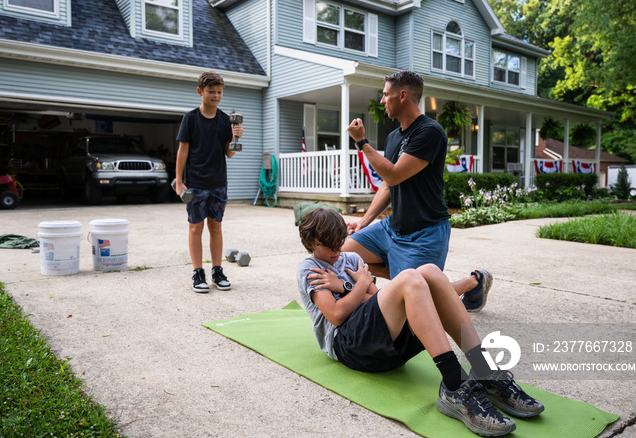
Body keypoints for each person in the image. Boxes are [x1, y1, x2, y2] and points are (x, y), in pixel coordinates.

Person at [297, 208, 543, 436]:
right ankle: (454, 384)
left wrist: (347, 286)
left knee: (430, 272)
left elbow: (375, 297)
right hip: (349, 348)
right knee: (409, 278)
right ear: (310, 243)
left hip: (382, 343)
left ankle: (485, 369)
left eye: (338, 243)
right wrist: (360, 284)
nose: (336, 251)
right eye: (328, 246)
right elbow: (337, 315)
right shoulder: (311, 269)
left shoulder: (350, 258)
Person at [343, 70, 489, 312]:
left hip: (425, 233)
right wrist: (364, 222)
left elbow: (394, 173)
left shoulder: (429, 132)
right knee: (343, 258)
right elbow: (389, 185)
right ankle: (404, 276)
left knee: (415, 300)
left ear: (402, 96)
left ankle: (475, 281)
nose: (382, 101)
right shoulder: (392, 137)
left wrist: (362, 143)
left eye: (385, 95)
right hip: (392, 228)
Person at [175, 71, 243, 293]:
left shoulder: (225, 120)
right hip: (194, 182)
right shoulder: (191, 118)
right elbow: (182, 151)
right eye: (211, 91)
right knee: (196, 227)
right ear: (200, 92)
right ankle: (198, 273)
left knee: (216, 227)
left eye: (219, 92)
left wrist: (236, 137)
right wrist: (178, 181)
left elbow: (229, 154)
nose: (216, 95)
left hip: (218, 183)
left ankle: (217, 271)